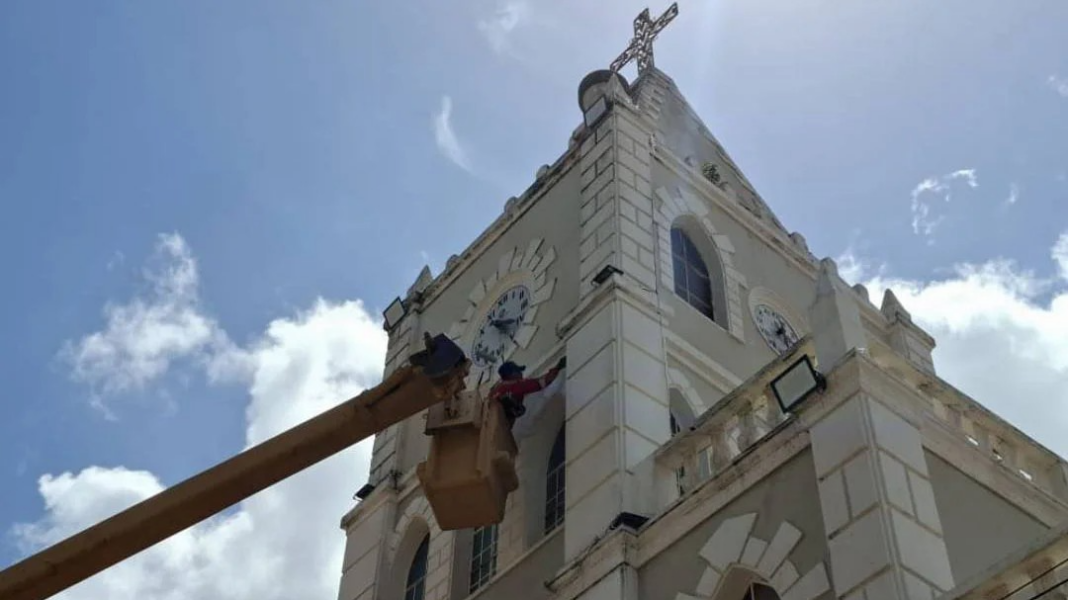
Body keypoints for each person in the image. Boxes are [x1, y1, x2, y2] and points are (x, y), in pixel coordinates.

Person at [490, 357, 566, 429]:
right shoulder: (516, 385)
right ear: (513, 373)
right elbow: (544, 382)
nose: (521, 374)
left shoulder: (497, 389)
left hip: (492, 424)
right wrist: (558, 367)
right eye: (519, 371)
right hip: (501, 428)